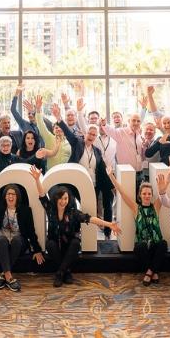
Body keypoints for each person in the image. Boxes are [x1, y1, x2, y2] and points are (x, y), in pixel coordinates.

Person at [32, 165, 121, 287]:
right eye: (61, 199)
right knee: (50, 244)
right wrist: (37, 179)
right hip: (56, 247)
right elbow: (42, 196)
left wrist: (109, 224)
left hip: (70, 248)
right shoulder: (51, 210)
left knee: (75, 243)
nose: (63, 201)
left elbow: (90, 219)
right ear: (56, 199)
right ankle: (66, 271)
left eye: (66, 198)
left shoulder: (73, 212)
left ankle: (60, 273)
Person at [0, 161, 45, 292]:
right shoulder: (0, 206)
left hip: (18, 244)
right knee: (1, 239)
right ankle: (9, 277)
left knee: (17, 239)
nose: (10, 196)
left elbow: (31, 232)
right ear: (5, 196)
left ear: (17, 197)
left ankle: (4, 275)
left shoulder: (25, 210)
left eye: (13, 194)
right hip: (2, 244)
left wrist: (37, 249)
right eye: (8, 194)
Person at [52, 103, 116, 240]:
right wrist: (58, 117)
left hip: (91, 184)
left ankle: (98, 235)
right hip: (75, 183)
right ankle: (72, 232)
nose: (91, 136)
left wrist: (112, 180)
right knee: (72, 206)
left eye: (94, 134)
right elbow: (68, 133)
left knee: (90, 209)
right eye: (90, 133)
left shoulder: (97, 151)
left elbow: (102, 168)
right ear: (85, 133)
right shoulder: (77, 142)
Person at [108, 162, 170, 286]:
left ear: (152, 195)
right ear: (140, 195)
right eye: (144, 194)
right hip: (142, 247)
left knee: (163, 244)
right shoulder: (136, 208)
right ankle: (154, 271)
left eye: (149, 194)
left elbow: (164, 190)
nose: (147, 196)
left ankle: (149, 272)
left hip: (155, 245)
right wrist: (111, 176)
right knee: (139, 247)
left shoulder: (156, 206)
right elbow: (121, 192)